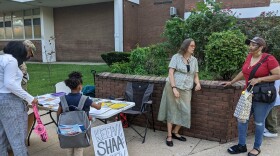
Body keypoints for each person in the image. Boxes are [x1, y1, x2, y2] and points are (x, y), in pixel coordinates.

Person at [222, 37, 280, 156]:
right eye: (250, 44)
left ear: (261, 47)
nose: (250, 46)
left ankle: (257, 147)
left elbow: (278, 75)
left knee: (259, 122)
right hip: (248, 94)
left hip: (262, 96)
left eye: (254, 45)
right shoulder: (249, 57)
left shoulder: (269, 59)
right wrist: (231, 82)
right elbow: (244, 72)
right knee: (242, 119)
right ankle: (242, 145)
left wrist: (259, 79)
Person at [157, 38, 201, 147]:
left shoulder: (194, 60)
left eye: (194, 46)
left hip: (186, 88)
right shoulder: (176, 57)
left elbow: (195, 75)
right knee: (172, 110)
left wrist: (198, 83)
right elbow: (171, 73)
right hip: (173, 86)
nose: (193, 48)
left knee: (185, 111)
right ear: (186, 46)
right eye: (192, 46)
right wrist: (174, 88)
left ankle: (175, 131)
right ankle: (169, 136)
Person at [0, 41, 38, 156]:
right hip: (10, 100)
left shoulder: (2, 58)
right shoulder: (11, 60)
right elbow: (10, 84)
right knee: (17, 136)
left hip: (2, 99)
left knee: (2, 136)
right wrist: (30, 98)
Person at [57, 71, 101, 156]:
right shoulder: (85, 99)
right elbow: (97, 107)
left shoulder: (63, 99)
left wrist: (59, 124)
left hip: (67, 128)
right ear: (80, 86)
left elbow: (59, 112)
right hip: (81, 128)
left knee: (69, 146)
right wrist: (100, 104)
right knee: (78, 148)